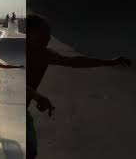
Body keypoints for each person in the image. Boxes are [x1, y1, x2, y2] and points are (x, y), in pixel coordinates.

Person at [27, 14, 132, 159]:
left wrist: (110, 62)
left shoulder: (44, 54)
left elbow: (75, 62)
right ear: (30, 33)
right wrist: (37, 96)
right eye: (44, 34)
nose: (48, 38)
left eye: (49, 34)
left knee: (31, 152)